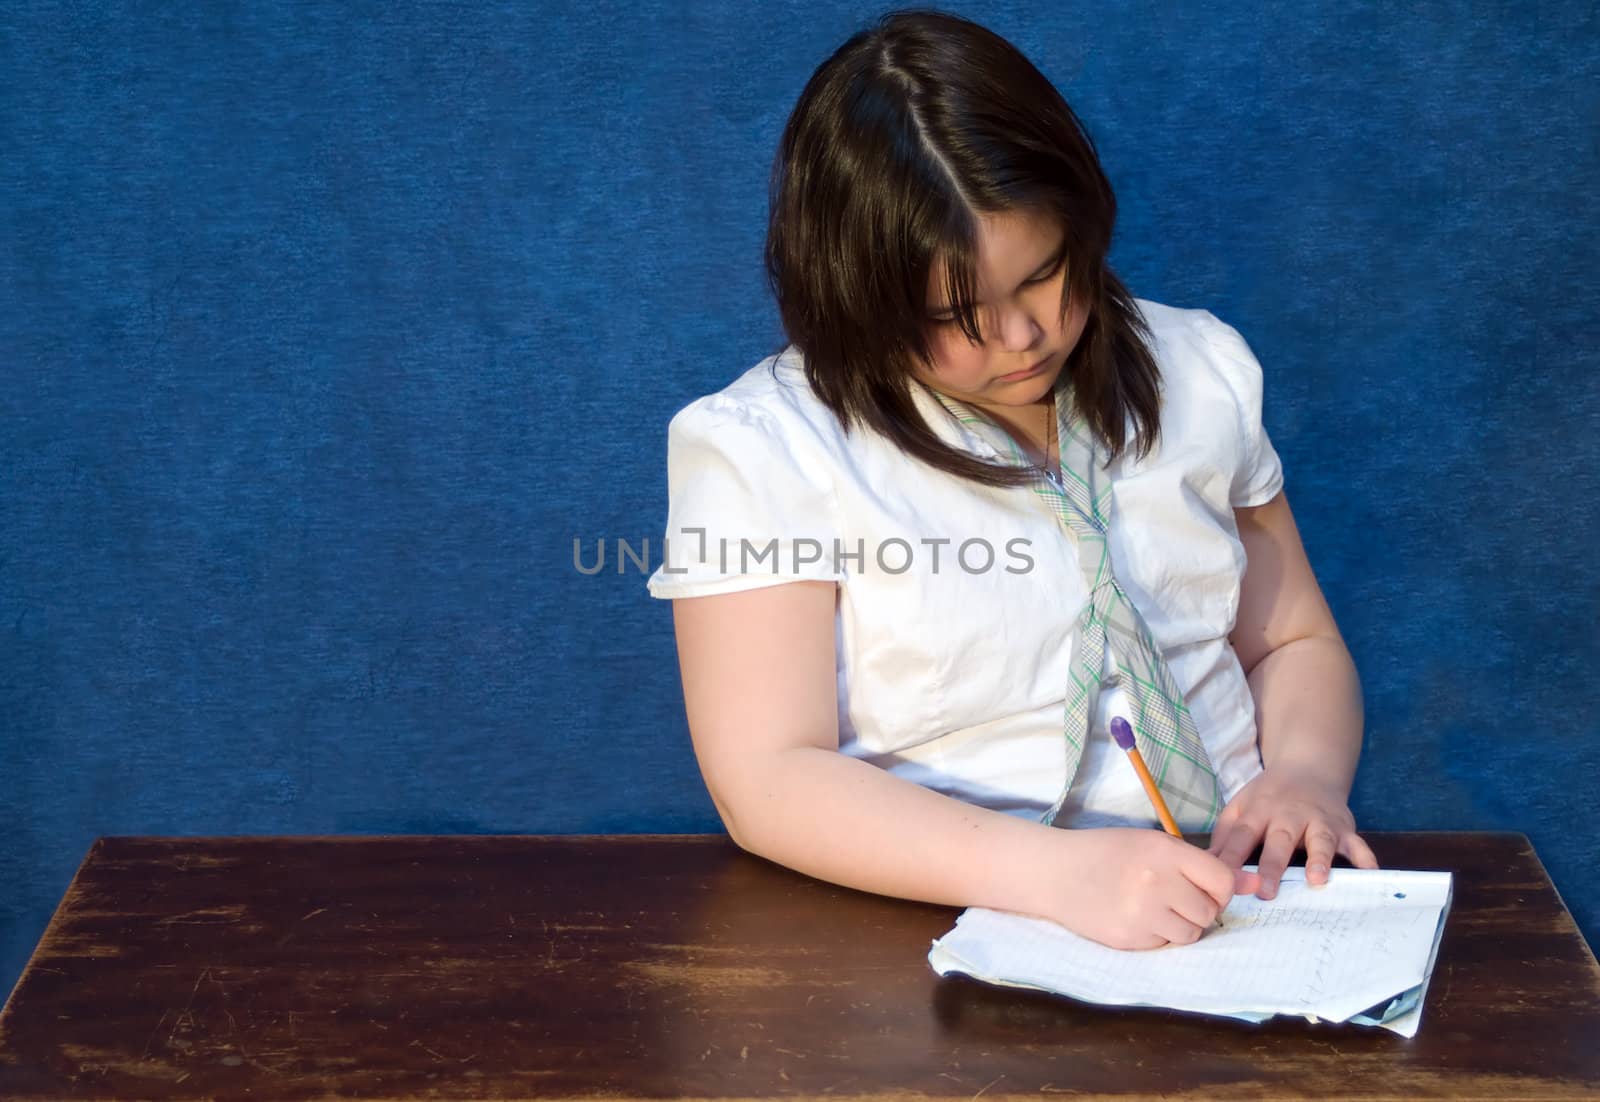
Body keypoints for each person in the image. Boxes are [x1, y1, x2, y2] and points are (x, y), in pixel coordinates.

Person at [646, 8, 1378, 951]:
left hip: (1238, 911)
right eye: (959, 313)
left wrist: (1307, 776)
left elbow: (1293, 641)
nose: (1023, 337)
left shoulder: (1201, 369)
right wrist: (1058, 876)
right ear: (853, 294)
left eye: (1043, 276)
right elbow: (768, 779)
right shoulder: (762, 446)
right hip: (929, 929)